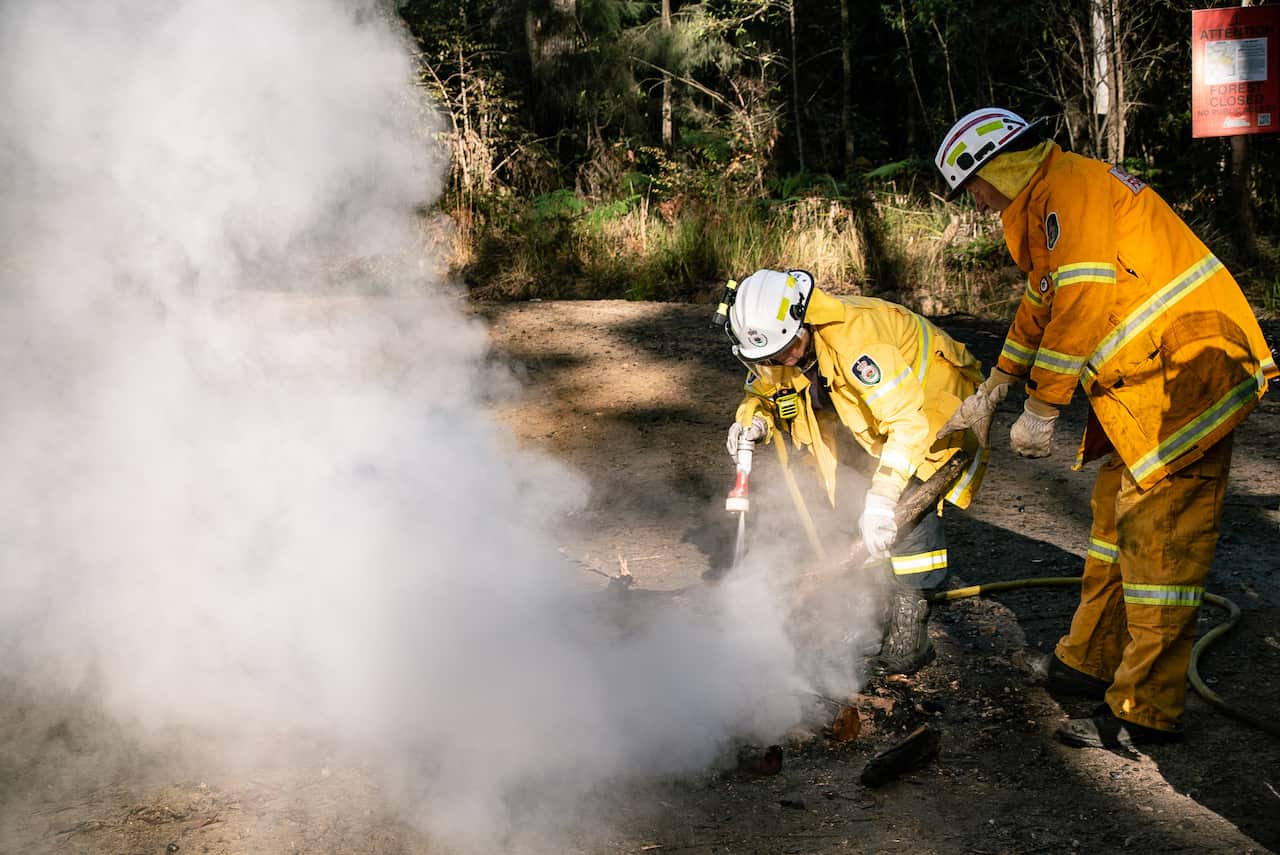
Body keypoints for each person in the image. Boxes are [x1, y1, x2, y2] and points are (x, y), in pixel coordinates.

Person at [934, 106, 1278, 749]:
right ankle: (1087, 663)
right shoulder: (1047, 205)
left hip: (1185, 383)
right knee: (1110, 531)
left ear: (1000, 165)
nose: (976, 204)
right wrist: (996, 386)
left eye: (974, 188)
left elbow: (1084, 300)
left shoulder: (1070, 187)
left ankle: (1142, 710)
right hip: (1145, 389)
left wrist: (1043, 405)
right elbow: (1041, 303)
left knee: (1159, 549)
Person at [720, 268, 991, 675]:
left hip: (934, 410)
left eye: (789, 348)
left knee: (906, 511)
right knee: (848, 498)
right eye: (772, 356)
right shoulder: (780, 339)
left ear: (804, 320)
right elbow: (764, 388)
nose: (783, 360)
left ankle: (909, 626)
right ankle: (869, 613)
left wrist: (882, 499)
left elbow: (907, 424)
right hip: (868, 420)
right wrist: (753, 418)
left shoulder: (857, 342)